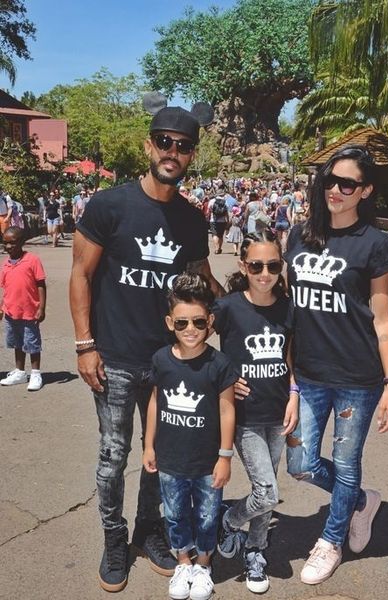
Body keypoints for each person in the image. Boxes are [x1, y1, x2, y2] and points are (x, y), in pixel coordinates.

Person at [69, 101, 222, 593]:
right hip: (113, 358)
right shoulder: (109, 205)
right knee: (113, 457)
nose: (172, 151)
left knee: (161, 456)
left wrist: (254, 306)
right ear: (148, 145)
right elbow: (81, 274)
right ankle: (114, 538)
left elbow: (202, 282)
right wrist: (85, 344)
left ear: (192, 154)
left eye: (183, 146)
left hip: (169, 363)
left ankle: (148, 528)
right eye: (164, 141)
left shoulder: (192, 220)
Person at [284, 145, 388, 585]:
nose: (335, 189)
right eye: (330, 180)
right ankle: (359, 501)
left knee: (346, 463)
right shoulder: (299, 235)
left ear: (365, 191)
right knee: (300, 463)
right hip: (308, 372)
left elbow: (382, 318)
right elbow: (289, 309)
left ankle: (331, 540)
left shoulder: (375, 243)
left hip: (358, 377)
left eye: (347, 184)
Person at [213, 230, 298, 594]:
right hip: (245, 417)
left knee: (269, 486)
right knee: (267, 492)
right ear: (243, 265)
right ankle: (230, 521)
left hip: (279, 413)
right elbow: (195, 343)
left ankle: (255, 550)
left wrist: (294, 395)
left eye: (273, 266)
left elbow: (292, 358)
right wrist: (224, 379)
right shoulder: (228, 307)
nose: (265, 274)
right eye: (256, 266)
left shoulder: (288, 307)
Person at [143, 273, 236, 600]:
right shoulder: (161, 360)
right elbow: (155, 402)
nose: (191, 329)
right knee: (175, 513)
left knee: (208, 516)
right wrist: (148, 445)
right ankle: (184, 561)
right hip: (170, 459)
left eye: (198, 321)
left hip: (208, 462)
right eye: (182, 323)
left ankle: (204, 564)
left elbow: (227, 410)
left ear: (210, 321)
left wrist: (225, 457)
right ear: (170, 323)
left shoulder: (219, 363)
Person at [0, 226, 46, 391]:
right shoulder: (5, 265)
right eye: (5, 243)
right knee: (17, 343)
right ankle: (19, 372)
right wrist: (2, 307)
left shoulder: (32, 260)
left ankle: (35, 373)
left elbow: (41, 284)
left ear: (21, 242)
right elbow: (6, 289)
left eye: (12, 243)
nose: (8, 246)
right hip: (11, 312)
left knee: (32, 343)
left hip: (29, 312)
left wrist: (42, 307)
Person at [209, 184, 230, 254]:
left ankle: (216, 248)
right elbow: (227, 212)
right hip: (222, 220)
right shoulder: (225, 202)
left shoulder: (212, 201)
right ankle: (220, 248)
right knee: (221, 235)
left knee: (214, 234)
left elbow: (209, 210)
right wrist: (228, 221)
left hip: (213, 220)